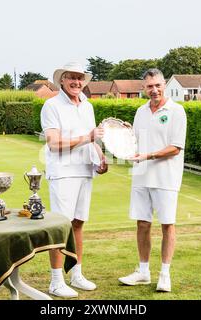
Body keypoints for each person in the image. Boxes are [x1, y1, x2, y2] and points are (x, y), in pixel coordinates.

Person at [40, 62, 108, 298]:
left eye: (80, 78)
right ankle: (56, 281)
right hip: (63, 172)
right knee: (61, 227)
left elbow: (92, 139)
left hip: (84, 171)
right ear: (62, 80)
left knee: (78, 223)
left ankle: (76, 274)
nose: (77, 82)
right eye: (72, 78)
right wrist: (87, 137)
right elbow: (53, 143)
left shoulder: (87, 106)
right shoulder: (51, 105)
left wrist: (100, 156)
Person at [118, 68, 187, 292]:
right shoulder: (140, 112)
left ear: (164, 84)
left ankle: (164, 275)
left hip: (166, 177)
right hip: (141, 176)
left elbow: (175, 148)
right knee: (142, 223)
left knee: (167, 225)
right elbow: (136, 142)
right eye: (150, 86)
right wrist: (125, 134)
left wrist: (148, 156)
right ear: (144, 88)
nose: (154, 90)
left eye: (157, 85)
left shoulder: (177, 111)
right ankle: (143, 272)